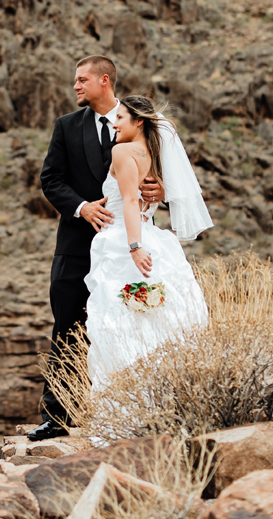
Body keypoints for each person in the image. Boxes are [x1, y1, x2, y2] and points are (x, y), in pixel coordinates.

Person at [32, 56, 165, 441]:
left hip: (126, 250)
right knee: (68, 324)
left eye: (82, 80)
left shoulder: (142, 121)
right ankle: (58, 417)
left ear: (104, 81)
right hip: (76, 245)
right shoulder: (67, 127)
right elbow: (50, 178)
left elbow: (161, 178)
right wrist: (81, 206)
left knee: (132, 324)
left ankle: (137, 409)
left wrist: (162, 192)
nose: (75, 86)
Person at [84, 95, 212, 394]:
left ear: (138, 121)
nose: (113, 123)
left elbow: (129, 200)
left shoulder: (122, 151)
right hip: (153, 236)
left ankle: (126, 396)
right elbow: (167, 191)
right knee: (154, 321)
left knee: (120, 322)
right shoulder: (154, 154)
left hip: (124, 239)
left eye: (120, 118)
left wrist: (133, 246)